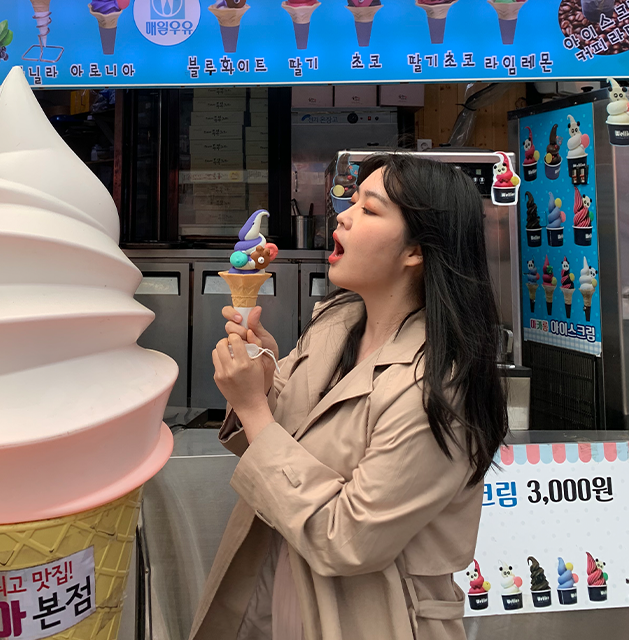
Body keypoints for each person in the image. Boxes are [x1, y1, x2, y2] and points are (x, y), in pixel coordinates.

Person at [192, 153, 509, 640]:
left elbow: (347, 541)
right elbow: (284, 440)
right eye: (352, 201)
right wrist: (264, 378)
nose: (343, 215)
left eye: (370, 208)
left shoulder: (439, 385)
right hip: (270, 598)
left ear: (415, 251)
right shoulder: (335, 322)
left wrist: (253, 408)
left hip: (375, 619)